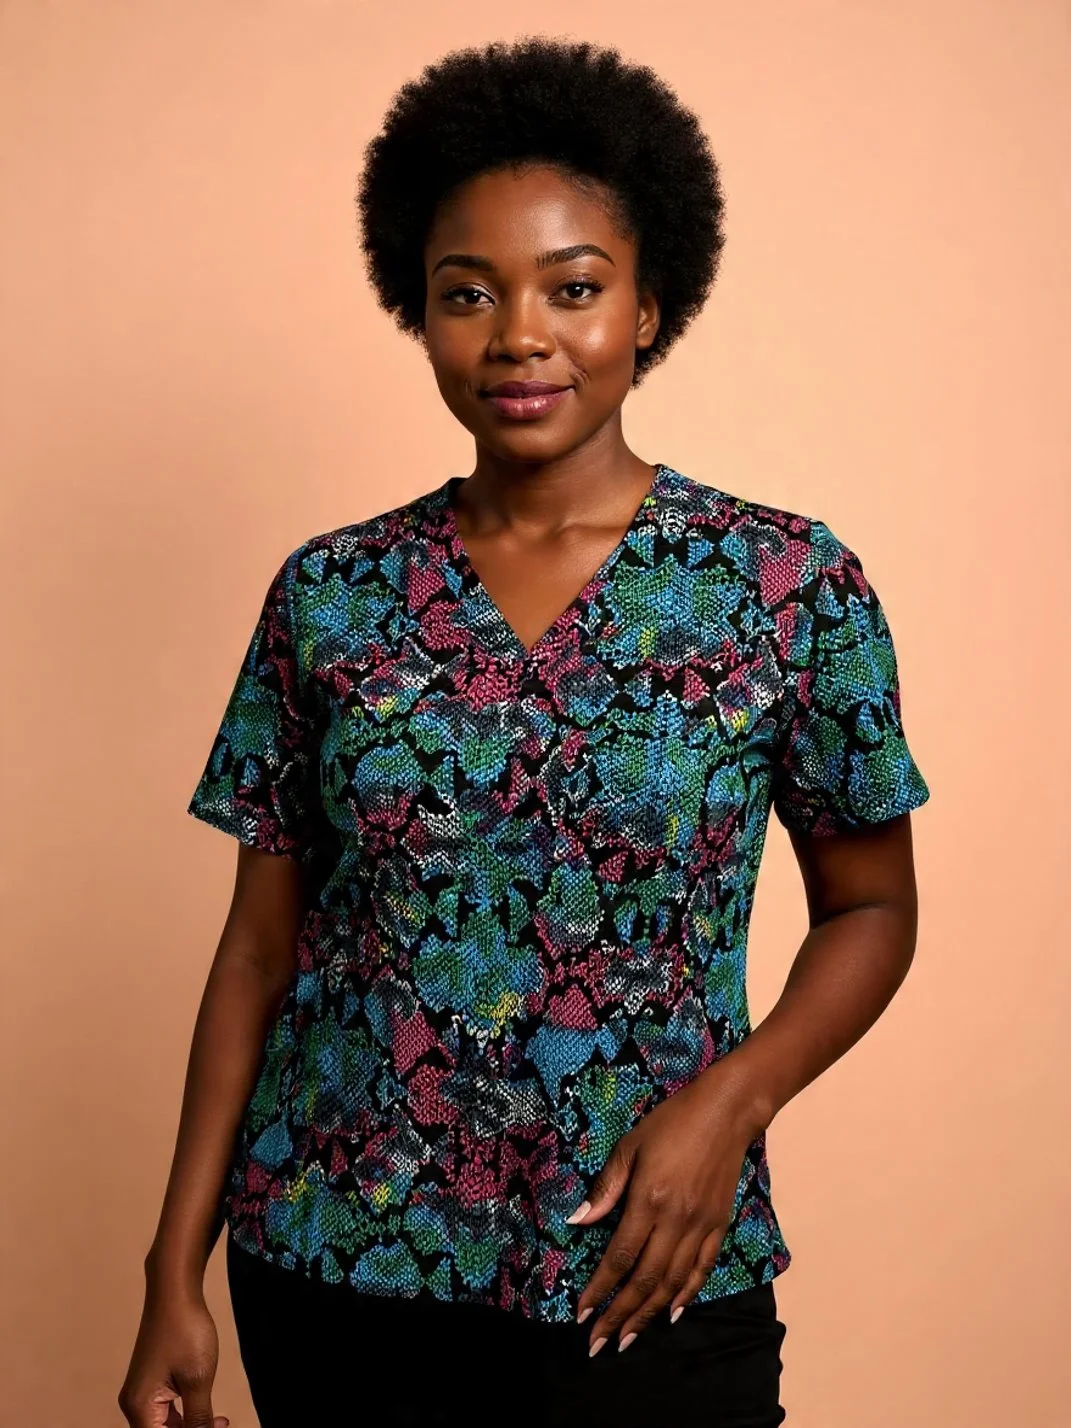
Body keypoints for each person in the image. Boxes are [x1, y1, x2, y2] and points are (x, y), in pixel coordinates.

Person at [118, 35, 929, 1428]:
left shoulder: (786, 586)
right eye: (468, 293)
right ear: (418, 312)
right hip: (333, 1268)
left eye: (574, 287)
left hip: (643, 1267)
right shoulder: (332, 593)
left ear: (650, 306)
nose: (519, 335)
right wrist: (168, 1272)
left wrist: (732, 1105)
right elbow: (258, 947)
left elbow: (872, 908)